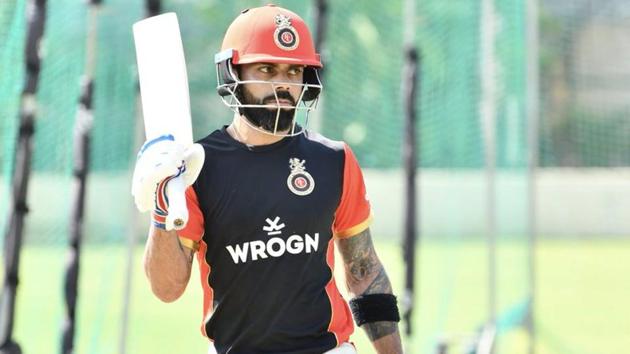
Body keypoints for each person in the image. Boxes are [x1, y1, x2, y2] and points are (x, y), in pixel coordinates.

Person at [132, 4, 403, 354]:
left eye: (293, 72)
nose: (282, 85)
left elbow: (364, 272)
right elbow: (166, 289)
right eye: (266, 69)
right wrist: (163, 203)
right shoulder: (198, 165)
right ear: (233, 72)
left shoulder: (334, 159)